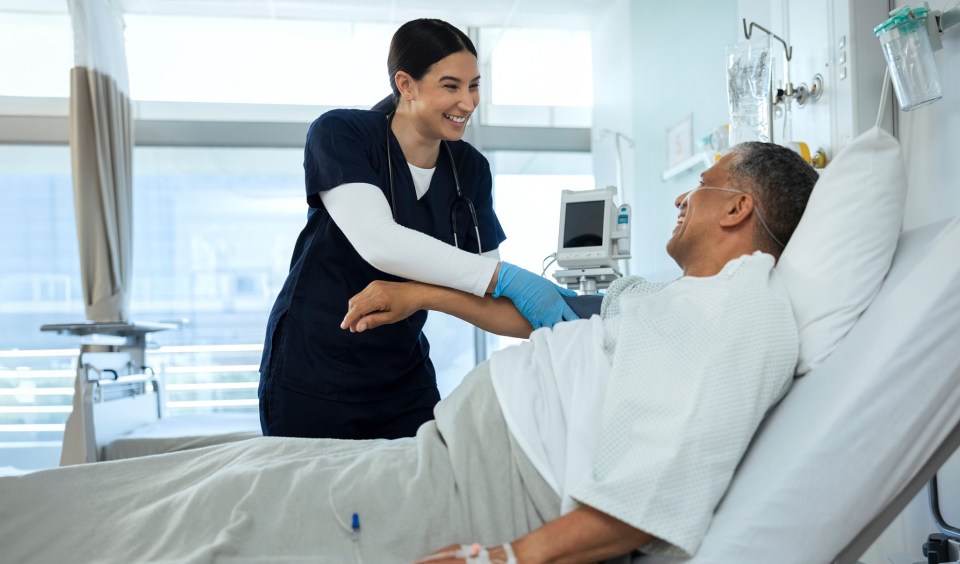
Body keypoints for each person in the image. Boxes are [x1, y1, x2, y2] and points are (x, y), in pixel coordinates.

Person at [0, 142, 817, 564]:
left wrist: (514, 556)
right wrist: (424, 293)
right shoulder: (682, 302)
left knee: (217, 519)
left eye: (702, 182)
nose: (682, 195)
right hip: (448, 459)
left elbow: (665, 478)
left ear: (739, 206)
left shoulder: (746, 310)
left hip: (490, 492)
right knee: (227, 473)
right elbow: (561, 315)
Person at [259, 18, 577, 441]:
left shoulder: (469, 169)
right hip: (315, 368)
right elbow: (380, 242)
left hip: (402, 377)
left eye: (474, 86)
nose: (467, 102)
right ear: (406, 84)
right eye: (450, 86)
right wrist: (505, 279)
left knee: (422, 501)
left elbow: (489, 299)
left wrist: (422, 295)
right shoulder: (340, 134)